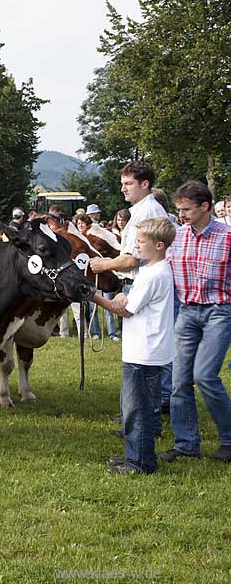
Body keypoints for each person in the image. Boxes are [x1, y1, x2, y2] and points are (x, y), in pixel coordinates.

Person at [93, 216, 176, 474]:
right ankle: (136, 455)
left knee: (136, 409)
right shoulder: (150, 271)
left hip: (144, 353)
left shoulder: (154, 275)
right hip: (145, 350)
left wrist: (93, 296)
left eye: (141, 241)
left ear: (159, 245)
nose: (136, 246)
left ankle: (139, 462)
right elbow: (131, 300)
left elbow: (126, 310)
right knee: (137, 408)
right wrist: (121, 297)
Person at [90, 161, 172, 413]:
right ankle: (142, 413)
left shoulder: (146, 211)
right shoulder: (142, 209)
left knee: (142, 358)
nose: (123, 189)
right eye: (122, 184)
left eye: (128, 184)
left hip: (138, 283)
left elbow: (132, 259)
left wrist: (102, 265)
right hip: (137, 282)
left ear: (144, 184)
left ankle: (144, 416)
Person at [160, 181, 231, 463]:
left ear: (206, 207)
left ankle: (228, 438)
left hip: (219, 311)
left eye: (187, 209)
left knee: (205, 376)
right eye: (179, 209)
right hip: (187, 312)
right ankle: (187, 443)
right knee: (179, 381)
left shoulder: (227, 237)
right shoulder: (178, 237)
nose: (182, 214)